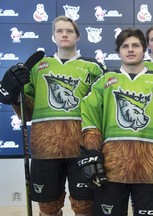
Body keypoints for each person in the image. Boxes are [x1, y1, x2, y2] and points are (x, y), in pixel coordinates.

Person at [0, 15, 107, 215]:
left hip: (81, 148)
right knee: (48, 208)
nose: (64, 34)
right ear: (53, 37)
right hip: (45, 148)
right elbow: (27, 112)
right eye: (59, 31)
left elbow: (103, 109)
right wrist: (14, 94)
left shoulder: (93, 67)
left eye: (69, 31)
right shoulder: (39, 67)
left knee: (85, 207)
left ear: (78, 36)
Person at [78, 27, 153, 216]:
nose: (130, 49)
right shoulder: (103, 82)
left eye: (135, 45)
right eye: (125, 46)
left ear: (144, 49)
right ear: (118, 51)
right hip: (111, 168)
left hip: (151, 169)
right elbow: (90, 121)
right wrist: (92, 152)